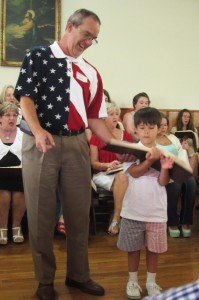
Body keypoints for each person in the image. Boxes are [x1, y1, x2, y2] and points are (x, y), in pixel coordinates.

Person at [14, 8, 117, 300]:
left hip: (76, 146)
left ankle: (78, 275)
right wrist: (37, 130)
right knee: (41, 215)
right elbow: (25, 97)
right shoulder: (38, 56)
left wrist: (122, 145)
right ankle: (45, 280)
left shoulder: (91, 72)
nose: (88, 42)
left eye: (94, 39)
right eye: (86, 35)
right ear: (70, 27)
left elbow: (95, 119)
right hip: (40, 144)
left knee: (77, 215)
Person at [117, 107, 173, 299]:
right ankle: (132, 281)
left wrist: (165, 167)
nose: (147, 131)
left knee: (153, 250)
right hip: (133, 210)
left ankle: (151, 281)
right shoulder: (131, 151)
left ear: (159, 129)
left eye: (151, 127)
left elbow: (163, 182)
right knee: (133, 249)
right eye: (142, 127)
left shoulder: (165, 152)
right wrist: (149, 162)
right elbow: (133, 172)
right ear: (136, 130)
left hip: (156, 211)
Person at [90, 102, 133, 235]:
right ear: (103, 118)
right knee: (126, 183)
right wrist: (107, 165)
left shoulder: (127, 136)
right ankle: (119, 218)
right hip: (103, 173)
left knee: (123, 176)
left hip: (123, 171)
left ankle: (115, 216)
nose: (115, 117)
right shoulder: (95, 137)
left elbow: (133, 157)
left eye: (117, 114)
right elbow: (93, 163)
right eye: (111, 114)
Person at [157, 114, 196, 238]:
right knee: (176, 184)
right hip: (163, 171)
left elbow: (181, 155)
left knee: (191, 182)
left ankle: (185, 221)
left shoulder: (173, 138)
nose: (163, 128)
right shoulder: (151, 139)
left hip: (177, 168)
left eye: (165, 125)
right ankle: (172, 222)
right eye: (160, 125)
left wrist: (185, 149)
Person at [0, 102, 26, 245]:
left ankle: (16, 226)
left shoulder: (23, 134)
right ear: (0, 118)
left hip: (20, 175)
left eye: (15, 115)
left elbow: (29, 156)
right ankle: (2, 227)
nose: (11, 118)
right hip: (0, 176)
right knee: (3, 190)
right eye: (7, 115)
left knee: (19, 190)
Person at [170, 109, 199, 177]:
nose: (186, 118)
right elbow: (172, 144)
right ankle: (192, 179)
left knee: (194, 156)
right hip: (180, 151)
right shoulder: (174, 129)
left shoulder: (194, 129)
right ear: (180, 117)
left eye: (188, 117)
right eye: (184, 116)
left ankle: (191, 179)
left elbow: (196, 143)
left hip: (191, 151)